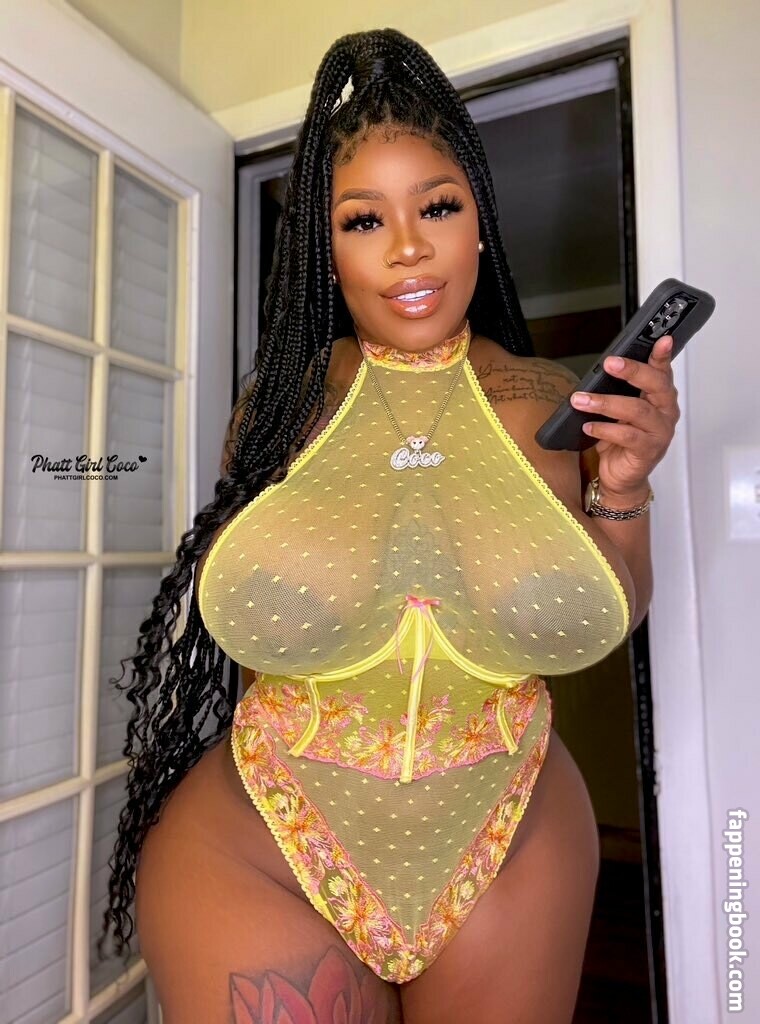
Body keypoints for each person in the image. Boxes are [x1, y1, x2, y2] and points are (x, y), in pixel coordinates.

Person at [97, 27, 679, 1023]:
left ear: (479, 221)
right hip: (263, 848)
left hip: (510, 843)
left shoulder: (548, 404)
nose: (408, 246)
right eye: (364, 219)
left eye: (437, 207)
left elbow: (611, 604)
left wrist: (623, 484)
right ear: (325, 249)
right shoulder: (277, 410)